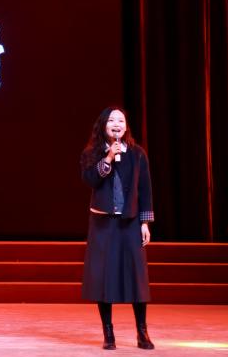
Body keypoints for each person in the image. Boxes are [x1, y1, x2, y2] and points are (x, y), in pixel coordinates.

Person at [80, 106, 155, 350]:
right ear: (103, 125)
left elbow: (145, 189)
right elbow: (90, 179)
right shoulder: (93, 152)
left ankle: (142, 332)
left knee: (136, 277)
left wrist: (144, 222)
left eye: (121, 120)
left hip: (130, 222)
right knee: (104, 277)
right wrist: (109, 158)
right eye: (112, 120)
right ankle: (108, 333)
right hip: (103, 223)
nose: (116, 124)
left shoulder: (137, 153)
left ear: (126, 126)